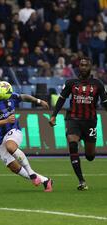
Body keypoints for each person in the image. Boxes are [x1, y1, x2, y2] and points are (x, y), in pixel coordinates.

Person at [0, 74, 53, 192]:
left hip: (13, 130)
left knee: (10, 146)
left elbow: (23, 97)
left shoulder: (8, 95)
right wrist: (6, 120)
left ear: (0, 85)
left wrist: (38, 100)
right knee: (13, 167)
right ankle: (45, 180)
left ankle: (32, 174)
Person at [49, 57, 107, 190]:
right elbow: (61, 99)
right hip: (73, 119)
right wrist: (54, 115)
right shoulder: (71, 83)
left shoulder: (97, 84)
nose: (84, 67)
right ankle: (81, 181)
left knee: (90, 156)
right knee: (73, 144)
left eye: (86, 65)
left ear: (90, 67)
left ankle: (89, 154)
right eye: (81, 65)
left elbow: (104, 103)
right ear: (78, 67)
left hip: (90, 122)